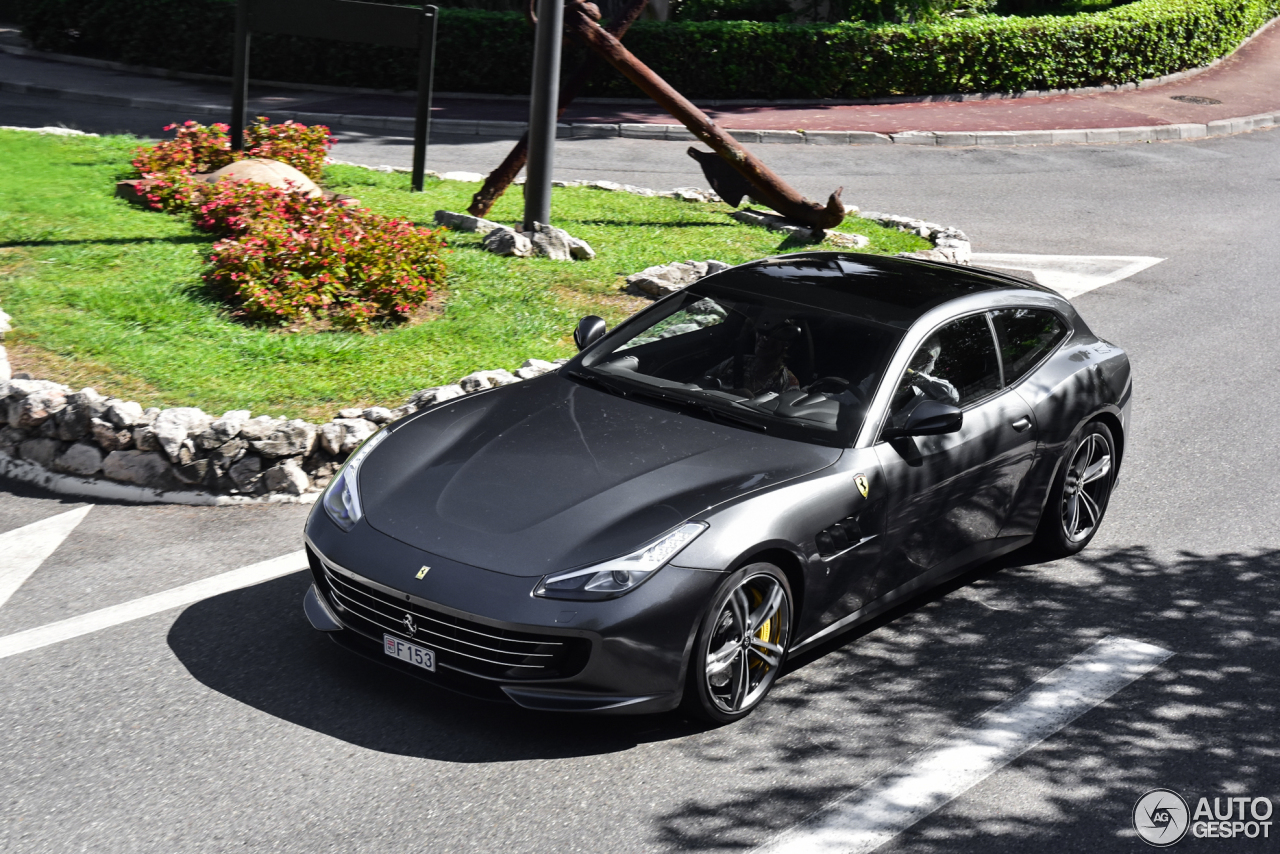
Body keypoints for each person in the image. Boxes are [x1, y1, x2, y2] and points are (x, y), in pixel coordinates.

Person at [704, 318, 802, 396]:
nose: (764, 338)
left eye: (773, 334)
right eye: (762, 331)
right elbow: (701, 383)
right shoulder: (735, 362)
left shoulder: (788, 383)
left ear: (786, 343)